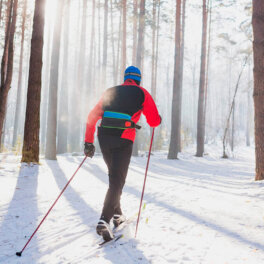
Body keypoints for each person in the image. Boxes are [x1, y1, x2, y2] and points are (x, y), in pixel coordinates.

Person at [84, 66, 161, 241]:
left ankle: (117, 215)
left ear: (125, 78)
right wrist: (159, 119)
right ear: (138, 79)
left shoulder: (110, 91)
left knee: (114, 178)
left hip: (103, 137)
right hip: (124, 138)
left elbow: (91, 117)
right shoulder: (142, 93)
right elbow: (154, 120)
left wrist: (88, 142)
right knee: (117, 180)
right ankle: (104, 219)